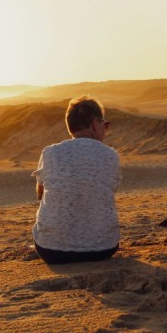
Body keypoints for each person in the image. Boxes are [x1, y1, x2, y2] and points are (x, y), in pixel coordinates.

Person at [32, 96, 121, 264]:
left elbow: (40, 195)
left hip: (51, 250)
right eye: (105, 124)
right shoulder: (111, 156)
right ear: (95, 123)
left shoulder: (50, 153)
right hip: (103, 248)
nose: (106, 129)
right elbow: (105, 191)